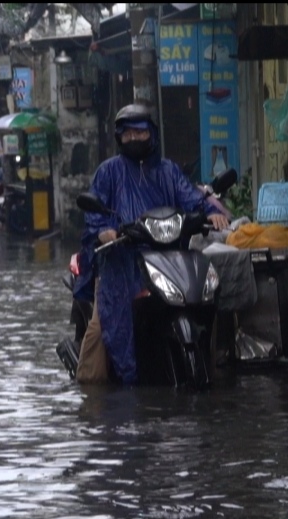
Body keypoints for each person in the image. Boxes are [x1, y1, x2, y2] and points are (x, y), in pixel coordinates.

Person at [75, 103, 230, 385]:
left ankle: (215, 362)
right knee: (100, 331)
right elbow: (94, 217)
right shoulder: (108, 172)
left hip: (168, 259)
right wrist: (106, 232)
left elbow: (191, 199)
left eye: (140, 132)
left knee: (209, 300)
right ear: (119, 137)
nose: (134, 138)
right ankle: (89, 398)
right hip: (121, 264)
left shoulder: (168, 171)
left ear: (152, 134)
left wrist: (212, 214)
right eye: (128, 133)